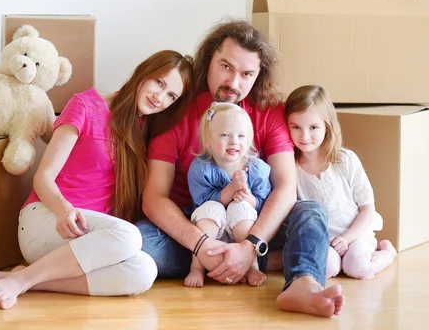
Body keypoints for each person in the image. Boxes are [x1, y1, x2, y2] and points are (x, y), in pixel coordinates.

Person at [136, 19, 345, 318]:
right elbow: (154, 197)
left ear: (258, 76)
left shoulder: (270, 111)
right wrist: (201, 246)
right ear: (208, 61)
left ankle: (302, 284)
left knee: (310, 213)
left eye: (246, 74)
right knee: (138, 242)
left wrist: (250, 244)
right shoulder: (176, 109)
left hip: (256, 222)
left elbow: (286, 188)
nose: (234, 82)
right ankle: (260, 261)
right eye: (226, 67)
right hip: (196, 222)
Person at [0, 50, 194, 310]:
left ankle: (23, 278)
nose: (160, 97)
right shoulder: (86, 104)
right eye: (159, 82)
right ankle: (21, 281)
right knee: (131, 237)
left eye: (171, 96)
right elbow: (43, 178)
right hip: (49, 219)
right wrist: (63, 210)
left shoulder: (142, 129)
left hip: (86, 241)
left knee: (144, 270)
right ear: (143, 73)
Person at [284, 84, 398, 280]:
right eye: (296, 127)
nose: (304, 136)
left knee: (358, 268)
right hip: (324, 241)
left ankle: (387, 252)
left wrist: (347, 239)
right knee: (325, 269)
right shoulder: (290, 167)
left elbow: (367, 209)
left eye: (313, 127)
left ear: (326, 126)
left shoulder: (345, 160)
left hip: (356, 234)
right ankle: (341, 259)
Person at [185, 102, 271, 288]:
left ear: (248, 140)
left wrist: (247, 196)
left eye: (241, 136)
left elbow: (262, 204)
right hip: (211, 231)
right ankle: (197, 267)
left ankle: (251, 265)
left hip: (242, 232)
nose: (234, 141)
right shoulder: (201, 168)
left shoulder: (257, 169)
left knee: (242, 207)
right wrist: (231, 189)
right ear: (208, 141)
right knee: (211, 208)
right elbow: (202, 200)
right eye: (225, 135)